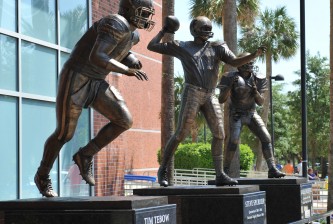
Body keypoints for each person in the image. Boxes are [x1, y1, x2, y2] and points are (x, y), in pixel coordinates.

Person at [34, 0, 155, 197]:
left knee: (124, 120)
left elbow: (117, 49)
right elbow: (97, 56)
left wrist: (129, 58)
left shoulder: (133, 34)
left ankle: (85, 154)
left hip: (97, 81)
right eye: (143, 12)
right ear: (129, 9)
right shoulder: (115, 22)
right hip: (77, 76)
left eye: (148, 14)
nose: (146, 18)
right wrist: (126, 70)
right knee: (65, 133)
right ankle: (42, 175)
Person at [148, 16, 266, 187]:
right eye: (204, 28)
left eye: (209, 28)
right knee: (181, 133)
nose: (208, 31)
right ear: (194, 29)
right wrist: (164, 31)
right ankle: (163, 169)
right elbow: (151, 46)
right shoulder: (183, 46)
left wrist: (254, 55)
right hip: (192, 93)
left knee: (220, 134)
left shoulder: (217, 47)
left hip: (210, 94)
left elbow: (233, 61)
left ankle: (220, 174)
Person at [218, 54, 285, 178]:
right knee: (233, 140)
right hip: (236, 113)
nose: (249, 66)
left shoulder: (258, 78)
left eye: (250, 63)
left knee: (266, 137)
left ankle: (272, 168)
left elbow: (260, 102)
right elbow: (221, 99)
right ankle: (225, 170)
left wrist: (255, 92)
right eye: (246, 63)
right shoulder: (230, 77)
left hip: (251, 113)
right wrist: (229, 87)